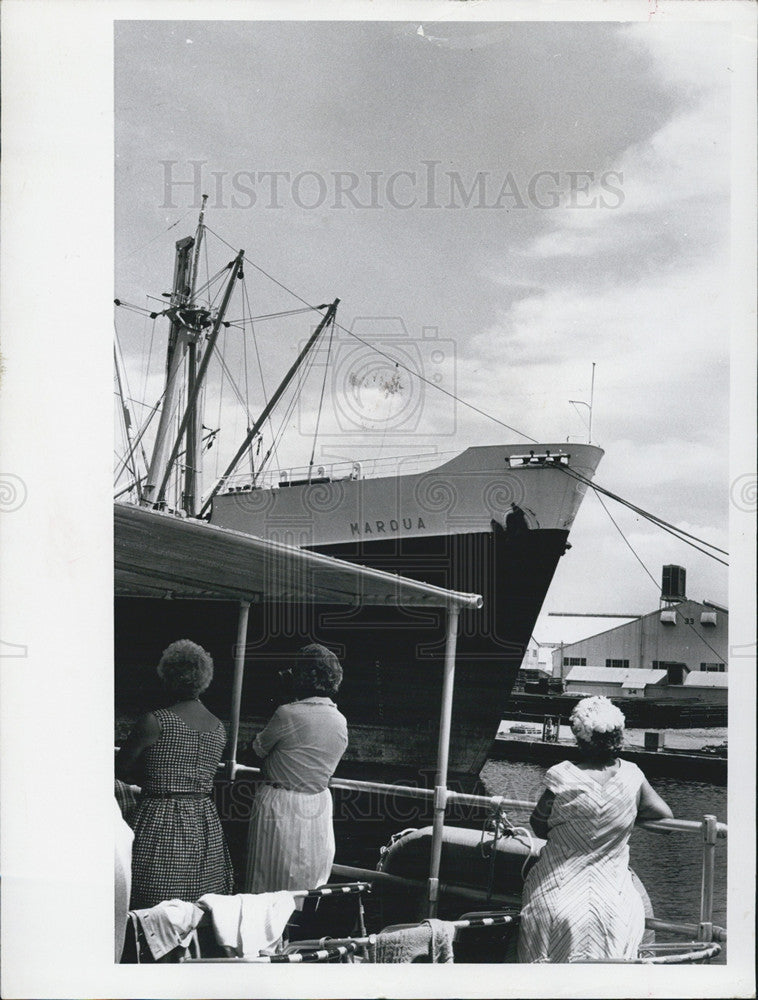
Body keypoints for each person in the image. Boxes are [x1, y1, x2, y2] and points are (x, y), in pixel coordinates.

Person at [517, 695, 672, 963]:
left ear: (580, 738)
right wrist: (621, 813)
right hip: (615, 899)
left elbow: (538, 825)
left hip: (557, 893)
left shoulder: (561, 775)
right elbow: (665, 818)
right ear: (617, 736)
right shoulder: (633, 775)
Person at [116, 639, 234, 909]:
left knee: (150, 901)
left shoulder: (155, 721)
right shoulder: (219, 728)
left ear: (168, 677)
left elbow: (122, 768)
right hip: (204, 821)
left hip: (160, 817)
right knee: (196, 902)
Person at [243, 643, 348, 894]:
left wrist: (284, 700)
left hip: (280, 804)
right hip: (317, 806)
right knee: (303, 882)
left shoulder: (287, 714)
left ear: (304, 676)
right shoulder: (340, 720)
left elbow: (253, 752)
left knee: (267, 880)